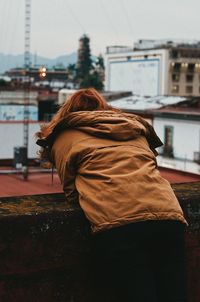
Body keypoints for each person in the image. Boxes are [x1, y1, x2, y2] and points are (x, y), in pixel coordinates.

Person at [36, 88, 188, 302]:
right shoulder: (132, 127)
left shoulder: (65, 136)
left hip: (120, 224)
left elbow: (72, 192)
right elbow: (149, 168)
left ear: (68, 110)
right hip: (168, 216)